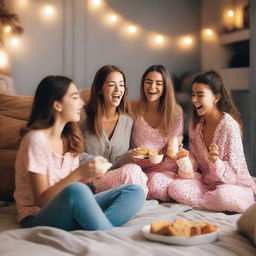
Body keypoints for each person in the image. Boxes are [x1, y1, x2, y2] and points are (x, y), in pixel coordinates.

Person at [14, 75, 146, 231]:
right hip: (37, 215)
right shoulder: (36, 139)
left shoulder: (70, 139)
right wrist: (79, 173)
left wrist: (88, 175)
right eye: (75, 97)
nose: (81, 103)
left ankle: (98, 227)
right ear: (57, 105)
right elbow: (42, 201)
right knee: (77, 190)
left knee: (135, 191)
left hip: (71, 206)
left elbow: (77, 186)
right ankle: (102, 231)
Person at [170, 70, 256, 213]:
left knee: (223, 196)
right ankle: (211, 200)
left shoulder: (229, 126)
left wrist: (216, 162)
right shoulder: (195, 125)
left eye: (200, 95)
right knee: (176, 188)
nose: (194, 100)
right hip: (207, 185)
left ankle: (218, 200)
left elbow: (234, 174)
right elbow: (195, 163)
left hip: (234, 186)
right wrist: (182, 156)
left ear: (216, 97)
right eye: (193, 94)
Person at [79, 65, 148, 194]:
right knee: (132, 173)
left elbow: (118, 161)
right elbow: (75, 154)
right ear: (100, 89)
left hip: (117, 181)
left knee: (133, 169)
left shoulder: (127, 121)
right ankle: (138, 202)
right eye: (112, 84)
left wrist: (132, 155)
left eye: (121, 85)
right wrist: (101, 165)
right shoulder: (82, 117)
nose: (118, 89)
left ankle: (134, 201)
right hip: (89, 182)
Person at [130, 65, 186, 202]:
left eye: (159, 83)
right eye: (148, 82)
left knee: (157, 185)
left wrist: (176, 144)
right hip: (139, 166)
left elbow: (173, 145)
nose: (152, 87)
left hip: (165, 167)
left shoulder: (176, 111)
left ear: (166, 87)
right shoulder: (131, 107)